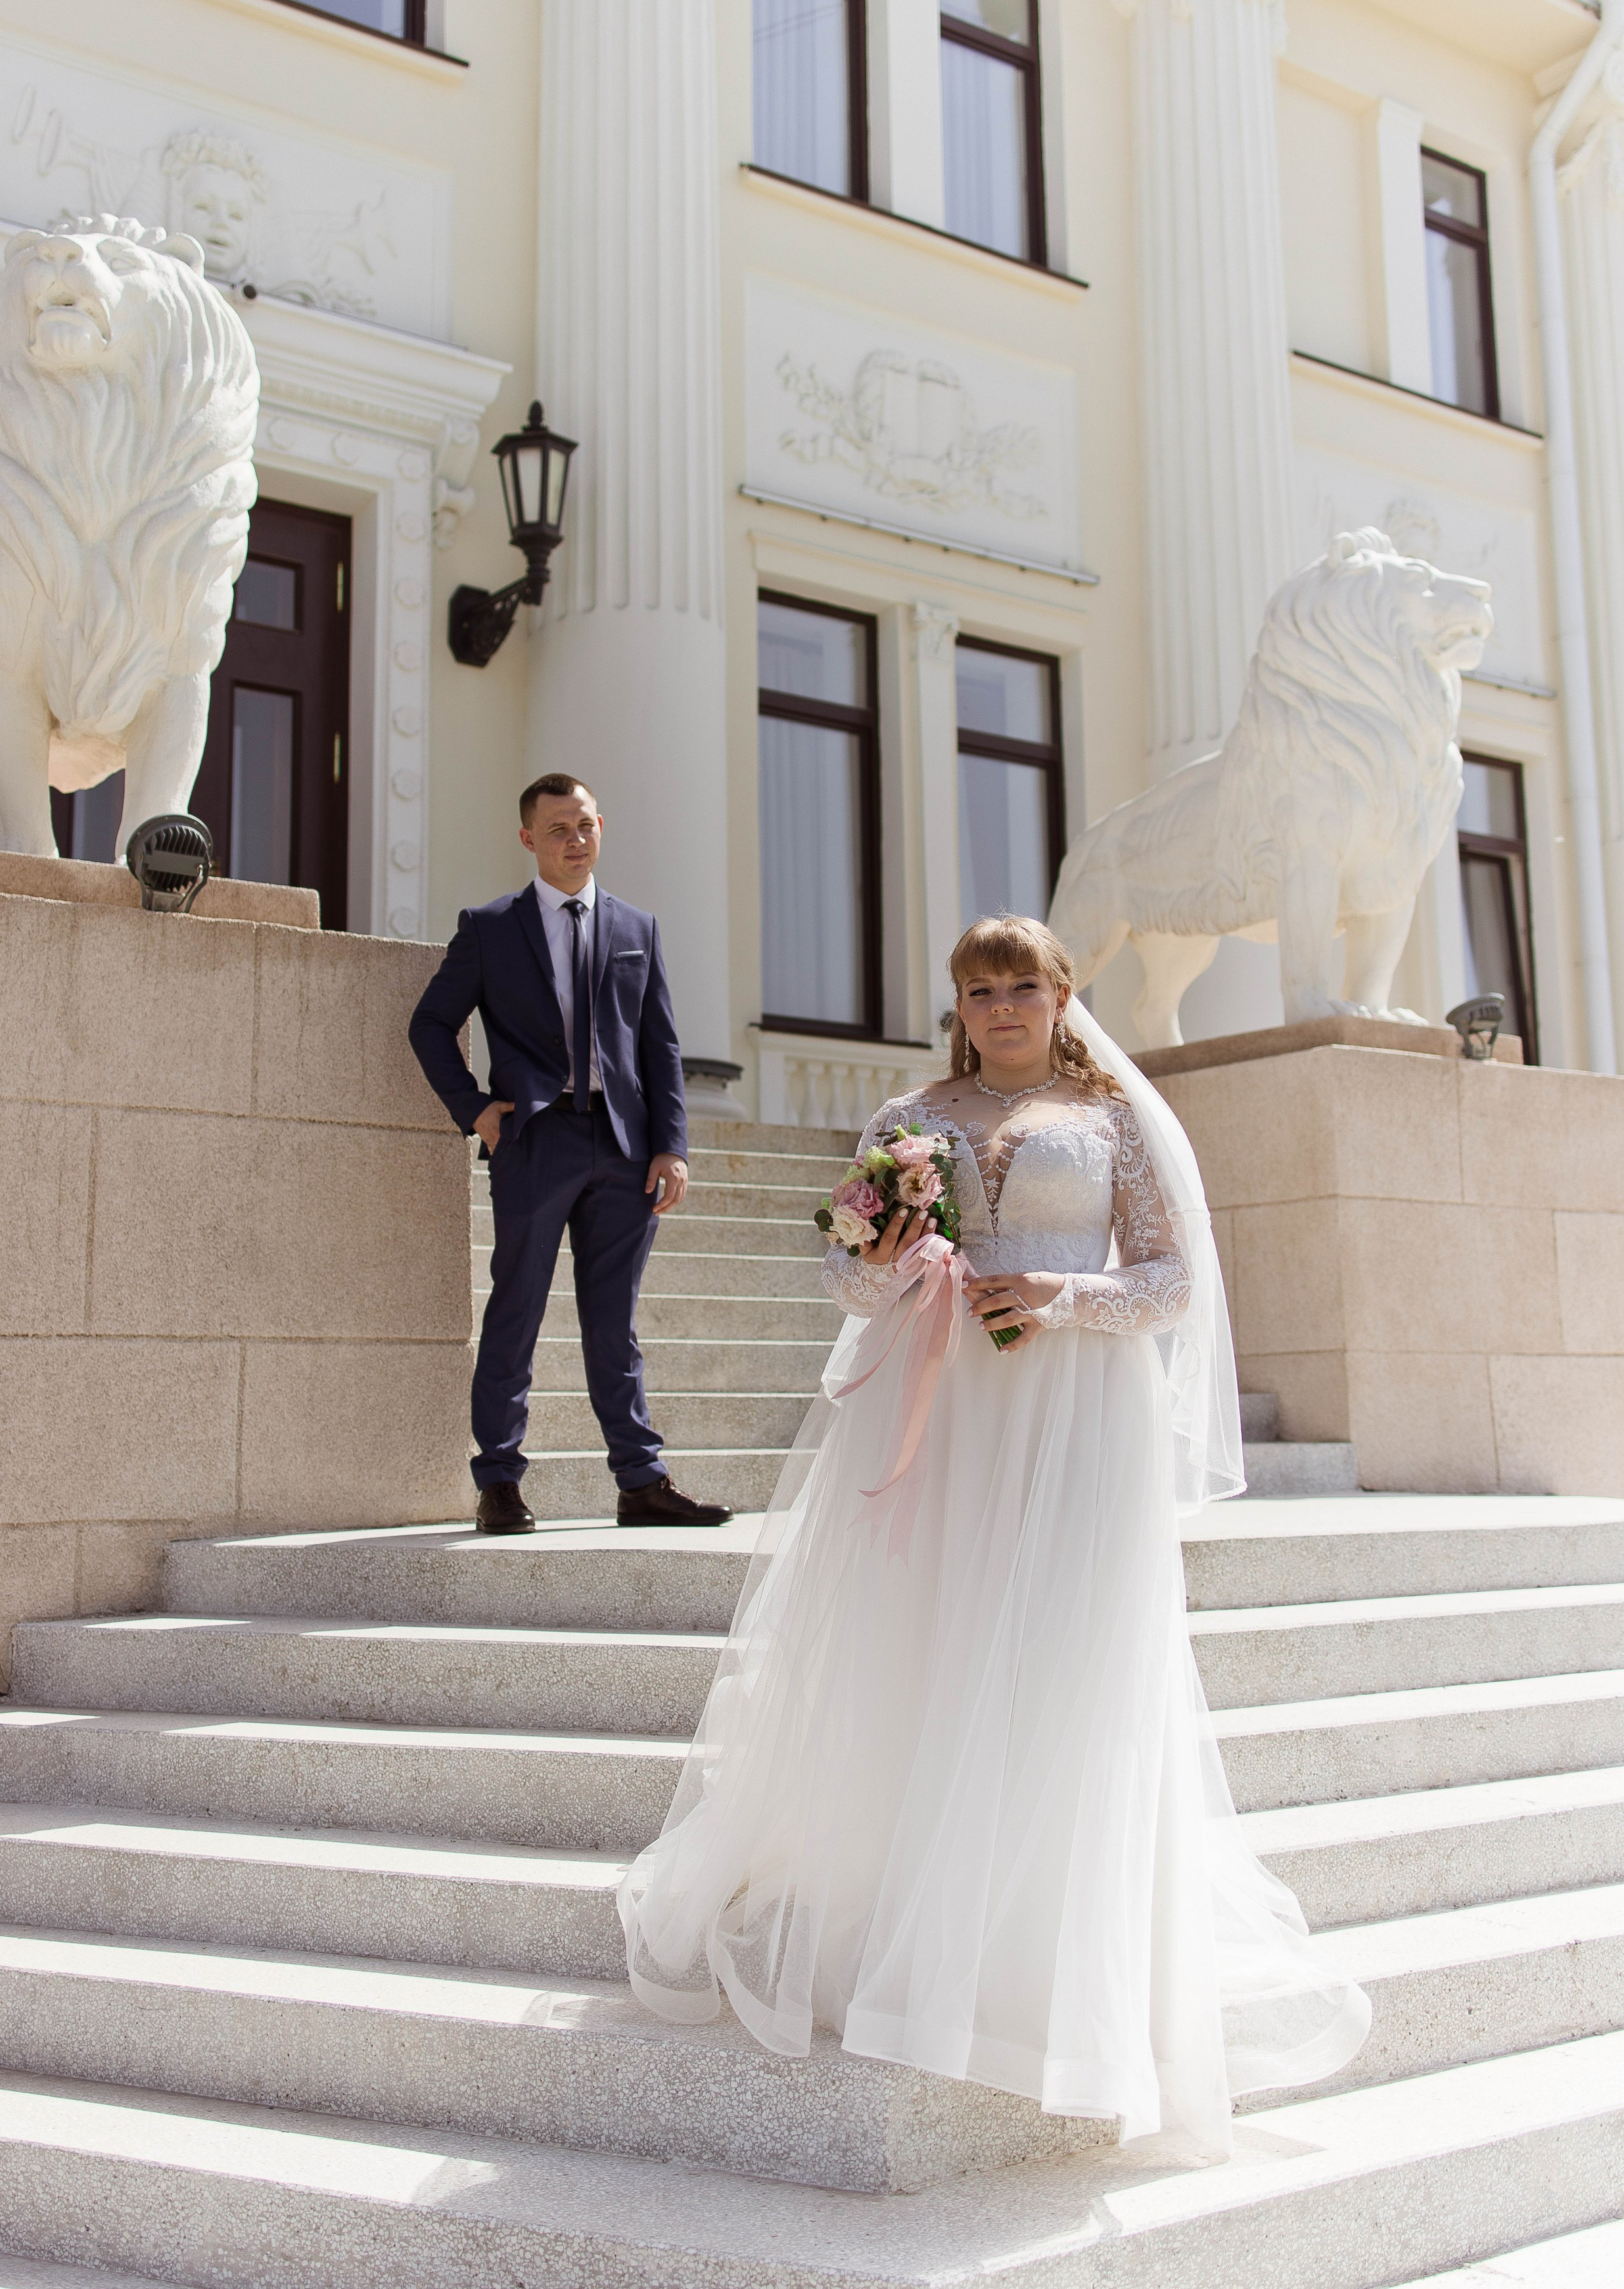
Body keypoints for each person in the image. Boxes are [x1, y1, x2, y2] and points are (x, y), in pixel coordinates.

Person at [619, 913, 1368, 2156]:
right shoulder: (908, 1117)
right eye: (983, 987)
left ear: (1065, 995)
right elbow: (849, 1283)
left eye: (1027, 984)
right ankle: (917, 1929)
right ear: (958, 1001)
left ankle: (1052, 1964)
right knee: (935, 1643)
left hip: (1080, 1411)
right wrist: (900, 1260)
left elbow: (1177, 1279)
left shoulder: (1119, 1118)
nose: (1005, 1004)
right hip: (949, 1403)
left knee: (1068, 1658)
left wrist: (1066, 1295)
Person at [409, 772, 731, 1535]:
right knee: (516, 1308)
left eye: (585, 825)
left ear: (601, 826)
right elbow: (429, 1025)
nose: (575, 840)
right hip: (534, 1141)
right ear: (528, 839)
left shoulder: (637, 928)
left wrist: (671, 1146)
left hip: (624, 1148)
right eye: (558, 829)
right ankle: (498, 1483)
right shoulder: (490, 927)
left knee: (612, 1322)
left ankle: (642, 1481)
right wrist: (475, 1111)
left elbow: (660, 1045)